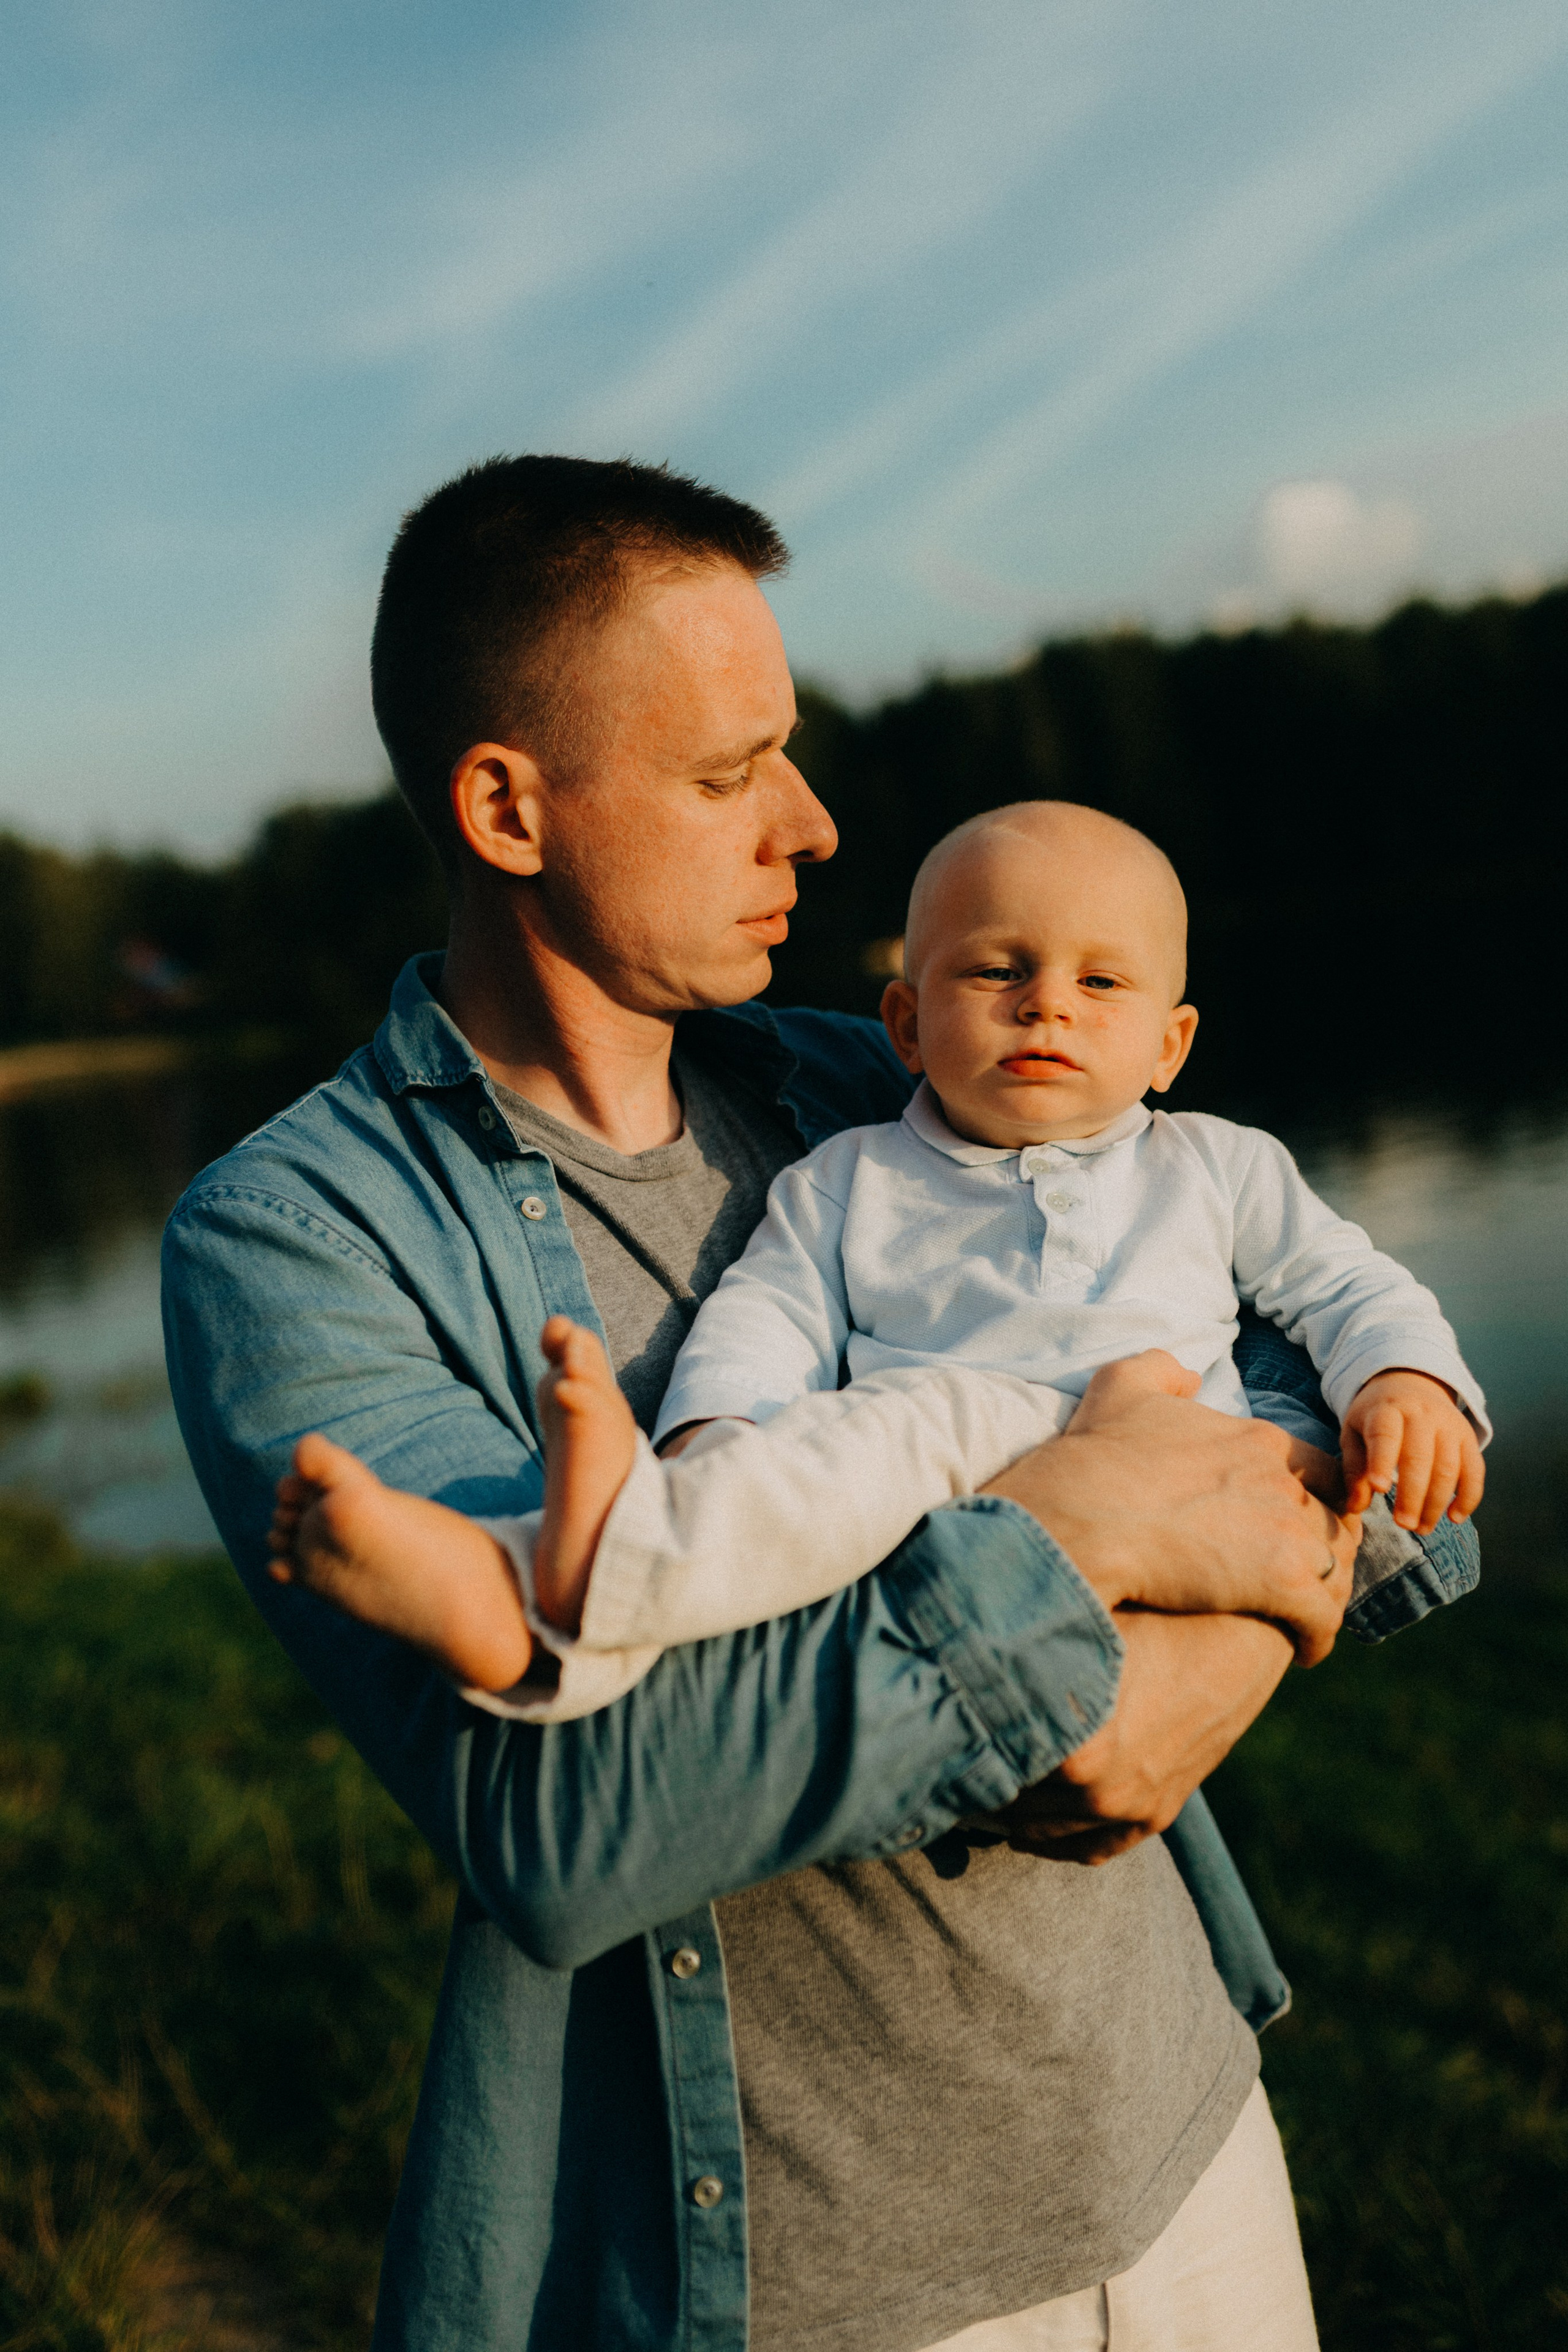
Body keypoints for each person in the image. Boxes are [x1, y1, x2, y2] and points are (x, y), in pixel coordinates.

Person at [161, 456, 1477, 2352]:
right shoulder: (294, 1236)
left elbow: (1307, 1386)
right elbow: (561, 1821)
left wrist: (1224, 1662)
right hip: (822, 2286)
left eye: (793, 751)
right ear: (508, 807)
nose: (814, 822)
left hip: (1183, 2142)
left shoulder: (876, 1079)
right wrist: (1080, 1538)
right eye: (732, 773)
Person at [264, 801, 1487, 1727]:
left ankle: (572, 1571)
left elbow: (1342, 1284)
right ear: (903, 1024)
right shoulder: (851, 1173)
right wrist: (713, 1432)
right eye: (996, 970)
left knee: (893, 1442)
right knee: (809, 1479)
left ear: (1169, 1046)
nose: (1046, 1006)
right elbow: (768, 1318)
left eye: (1099, 981)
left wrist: (1404, 1380)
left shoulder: (1217, 1163)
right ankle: (528, 1598)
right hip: (942, 1481)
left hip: (1187, 1469)